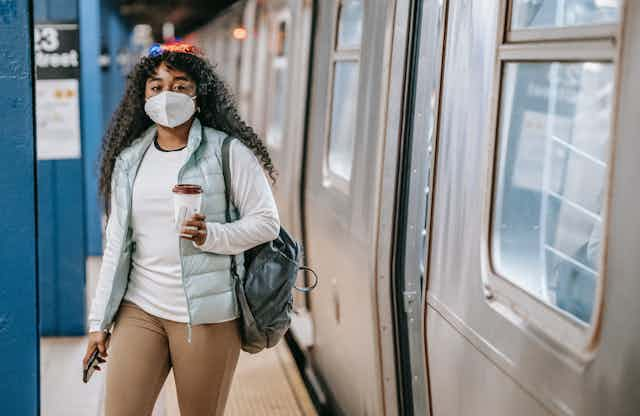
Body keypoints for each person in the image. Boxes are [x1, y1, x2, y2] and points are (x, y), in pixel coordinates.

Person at [82, 41, 280, 416]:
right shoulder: (129, 161)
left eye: (180, 85)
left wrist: (212, 235)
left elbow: (267, 222)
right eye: (156, 87)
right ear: (143, 98)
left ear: (198, 95)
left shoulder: (228, 152)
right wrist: (99, 321)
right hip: (140, 308)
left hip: (207, 316)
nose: (166, 95)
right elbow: (116, 246)